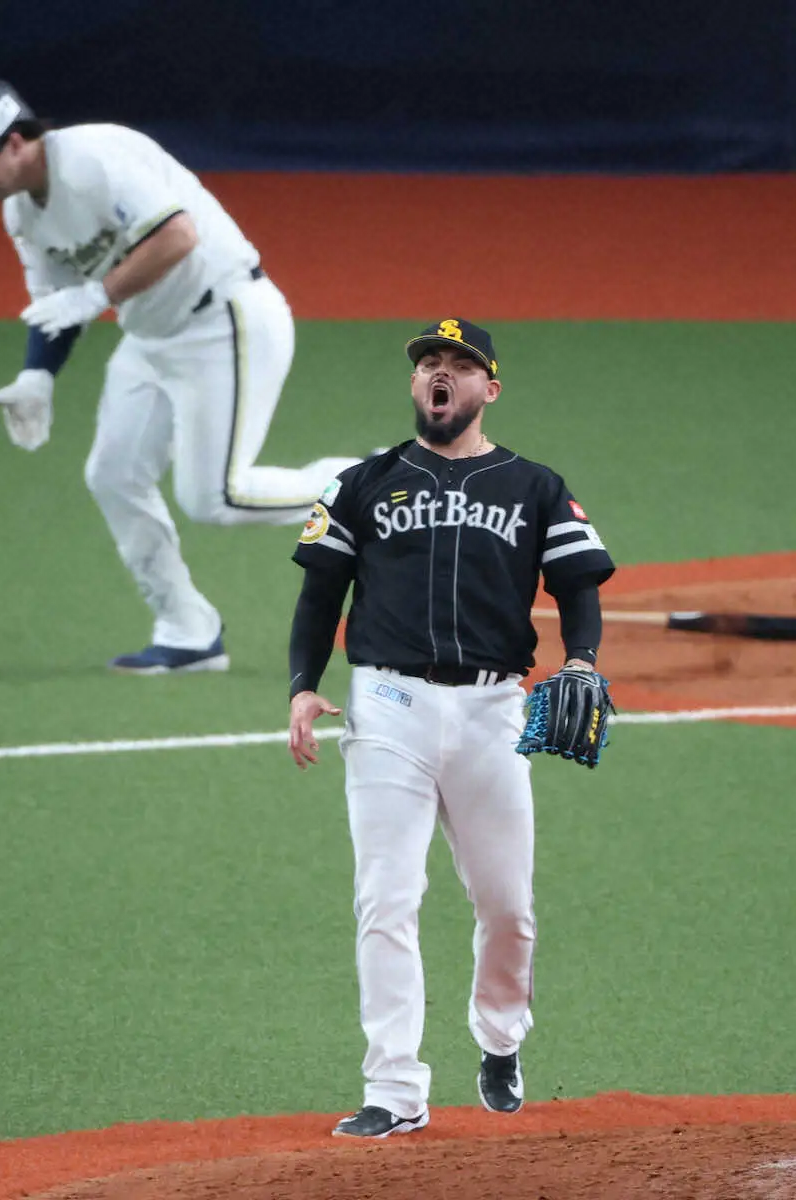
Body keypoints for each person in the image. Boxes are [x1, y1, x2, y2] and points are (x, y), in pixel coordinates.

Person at [286, 319, 615, 1137]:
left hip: (491, 712)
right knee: (384, 900)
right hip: (386, 705)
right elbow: (319, 594)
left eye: (459, 366)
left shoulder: (534, 486)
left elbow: (577, 584)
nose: (441, 373)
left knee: (507, 907)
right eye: (429, 363)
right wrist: (302, 687)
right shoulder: (363, 483)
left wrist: (579, 660)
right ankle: (393, 1090)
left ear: (487, 390)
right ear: (415, 385)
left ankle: (500, 1039)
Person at [0, 79, 359, 673]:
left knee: (215, 497)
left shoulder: (93, 158)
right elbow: (57, 303)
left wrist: (97, 295)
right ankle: (188, 631)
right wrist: (37, 377)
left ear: (18, 142)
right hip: (152, 337)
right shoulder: (20, 212)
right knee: (113, 475)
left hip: (224, 319)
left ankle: (375, 482)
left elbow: (178, 236)